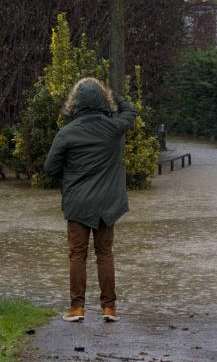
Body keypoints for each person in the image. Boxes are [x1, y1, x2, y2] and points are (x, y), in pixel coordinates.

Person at [44, 77, 136, 322]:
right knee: (105, 254)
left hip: (78, 204)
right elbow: (130, 112)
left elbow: (50, 168)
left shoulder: (67, 133)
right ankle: (109, 308)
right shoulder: (114, 127)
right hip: (108, 205)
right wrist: (113, 93)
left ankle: (77, 308)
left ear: (75, 103)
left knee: (77, 255)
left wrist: (70, 179)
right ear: (103, 102)